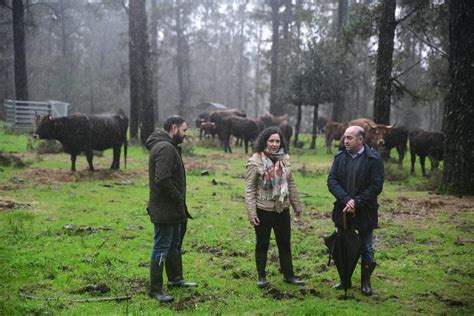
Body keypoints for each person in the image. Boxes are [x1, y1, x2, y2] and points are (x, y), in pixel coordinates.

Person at [327, 125, 384, 296]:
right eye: (345, 137)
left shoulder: (374, 159)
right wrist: (346, 200)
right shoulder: (340, 157)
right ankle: (345, 279)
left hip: (365, 210)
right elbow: (331, 181)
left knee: (366, 247)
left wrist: (356, 202)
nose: (345, 141)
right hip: (343, 210)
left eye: (349, 138)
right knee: (343, 245)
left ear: (360, 140)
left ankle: (365, 283)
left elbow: (376, 186)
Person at [245, 126, 304, 289]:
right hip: (263, 210)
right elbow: (249, 189)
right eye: (271, 140)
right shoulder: (255, 161)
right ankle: (262, 277)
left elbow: (291, 183)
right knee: (262, 243)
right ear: (264, 141)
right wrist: (252, 213)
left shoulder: (285, 159)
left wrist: (296, 206)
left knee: (285, 243)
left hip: (282, 208)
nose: (274, 144)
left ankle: (289, 275)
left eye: (277, 141)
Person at [145, 115, 196, 303]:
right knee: (161, 247)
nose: (185, 134)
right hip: (165, 209)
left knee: (174, 244)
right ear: (174, 128)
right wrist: (178, 197)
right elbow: (162, 179)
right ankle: (156, 289)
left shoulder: (169, 146)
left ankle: (176, 279)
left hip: (173, 209)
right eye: (184, 130)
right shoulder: (166, 148)